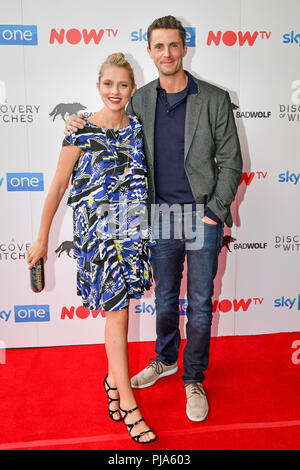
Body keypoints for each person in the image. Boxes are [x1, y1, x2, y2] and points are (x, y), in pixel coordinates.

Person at [65, 16, 243, 423]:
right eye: (159, 47)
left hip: (201, 216)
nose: (167, 53)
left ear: (185, 48)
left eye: (174, 46)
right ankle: (164, 360)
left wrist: (215, 213)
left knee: (198, 304)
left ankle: (194, 377)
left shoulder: (214, 98)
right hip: (159, 216)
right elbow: (107, 122)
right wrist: (74, 123)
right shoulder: (140, 99)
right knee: (164, 299)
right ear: (150, 51)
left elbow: (232, 162)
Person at [27, 52, 157, 444]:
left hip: (132, 234)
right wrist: (41, 239)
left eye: (122, 85)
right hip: (98, 238)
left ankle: (113, 383)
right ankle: (130, 405)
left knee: (118, 316)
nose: (114, 91)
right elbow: (57, 189)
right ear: (97, 87)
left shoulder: (137, 129)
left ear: (132, 90)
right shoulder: (79, 131)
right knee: (117, 315)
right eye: (107, 84)